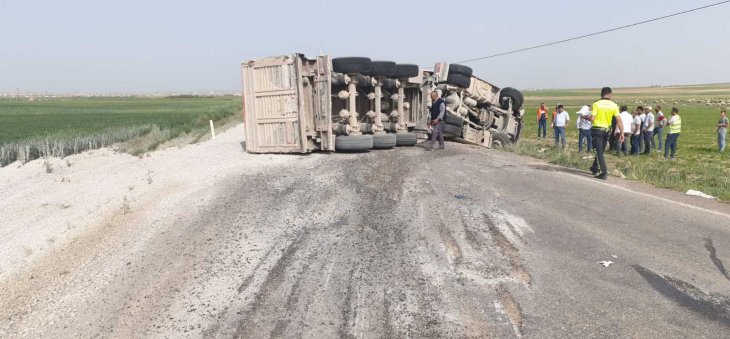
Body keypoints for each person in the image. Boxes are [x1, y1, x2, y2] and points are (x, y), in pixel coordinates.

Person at [586, 87, 623, 180]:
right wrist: (621, 132)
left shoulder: (596, 104)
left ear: (601, 94)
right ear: (610, 94)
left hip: (597, 130)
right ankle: (595, 167)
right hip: (607, 131)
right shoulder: (614, 105)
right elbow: (619, 119)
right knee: (600, 150)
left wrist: (584, 117)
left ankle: (603, 172)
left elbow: (592, 118)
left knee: (598, 151)